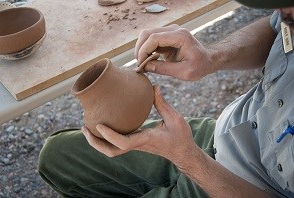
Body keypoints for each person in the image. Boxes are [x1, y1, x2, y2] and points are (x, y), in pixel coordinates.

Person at [38, 0, 294, 197]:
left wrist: (186, 157)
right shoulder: (288, 11)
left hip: (236, 187)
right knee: (55, 157)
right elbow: (277, 27)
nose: (280, 11)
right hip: (227, 133)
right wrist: (212, 56)